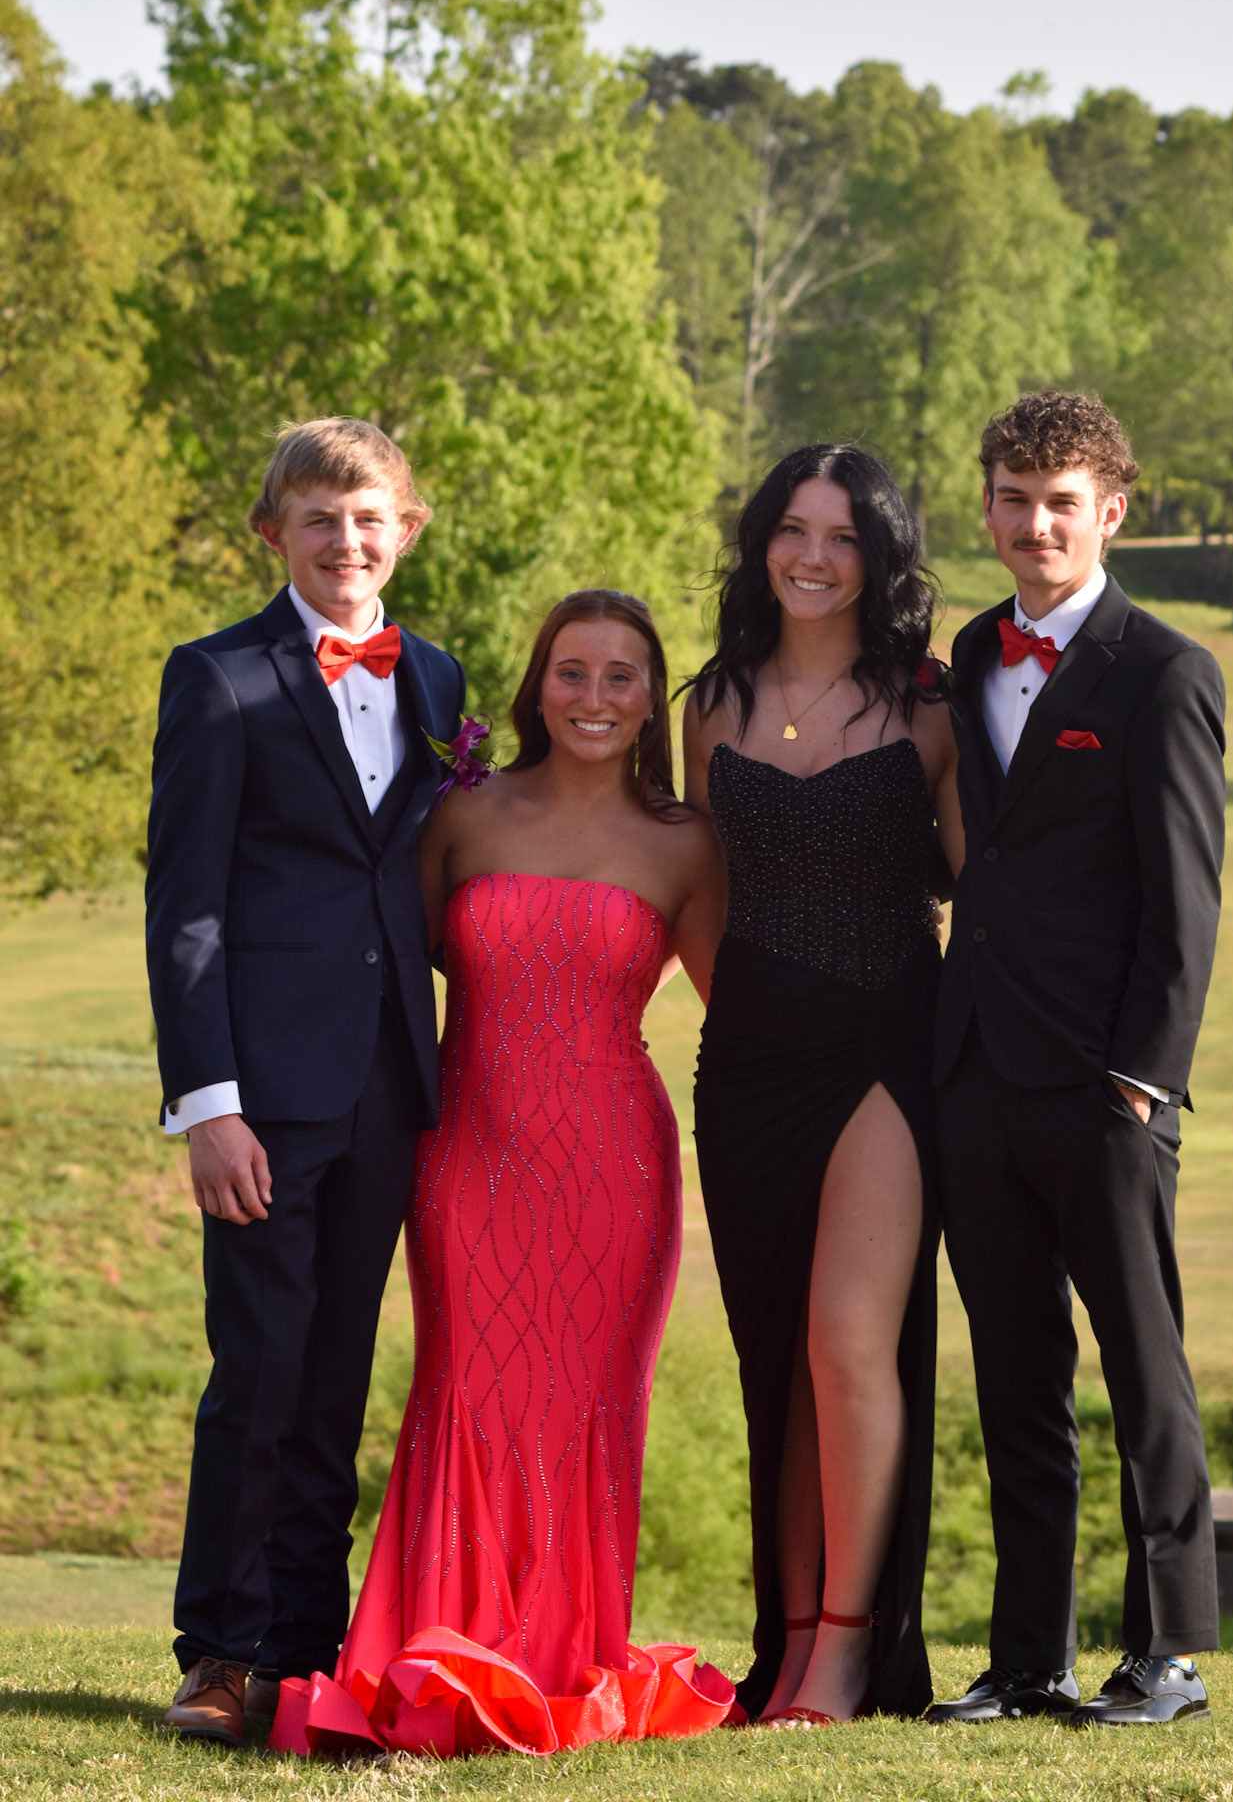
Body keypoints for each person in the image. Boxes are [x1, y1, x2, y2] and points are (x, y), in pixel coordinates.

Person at [271, 590, 733, 1758]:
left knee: (584, 1410)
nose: (594, 695)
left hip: (615, 1169)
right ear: (536, 685)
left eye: (622, 675)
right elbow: (379, 970)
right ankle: (438, 1653)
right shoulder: (463, 813)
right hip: (468, 1153)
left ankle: (560, 1656)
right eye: (572, 670)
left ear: (652, 698)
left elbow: (741, 1017)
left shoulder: (687, 842)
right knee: (464, 1390)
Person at [145, 419, 466, 1745]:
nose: (347, 540)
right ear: (273, 530)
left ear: (407, 530)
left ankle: (304, 1652)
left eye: (370, 516)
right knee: (260, 1373)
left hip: (392, 1080)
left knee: (336, 1377)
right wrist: (209, 1104)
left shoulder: (436, 676)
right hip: (265, 1093)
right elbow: (186, 907)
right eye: (320, 518)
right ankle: (219, 1653)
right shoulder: (218, 677)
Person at [929, 390, 1224, 1728]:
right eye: (1013, 497)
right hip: (977, 1073)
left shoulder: (1163, 671)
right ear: (987, 505)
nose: (1034, 523)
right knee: (1014, 1373)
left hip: (1106, 1087)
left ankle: (1167, 1655)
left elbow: (1184, 903)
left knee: (1143, 1367)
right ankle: (1025, 1657)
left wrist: (1140, 1079)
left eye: (1060, 502)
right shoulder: (966, 654)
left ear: (1110, 510)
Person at [683, 447, 963, 1727]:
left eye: (843, 536)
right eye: (793, 529)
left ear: (879, 555)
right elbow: (700, 888)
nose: (812, 556)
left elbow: (984, 883)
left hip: (888, 1047)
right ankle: (788, 1642)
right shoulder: (711, 703)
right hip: (748, 1062)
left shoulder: (930, 703)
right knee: (776, 1360)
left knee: (849, 1340)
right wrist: (744, 1011)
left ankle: (852, 1650)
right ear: (762, 542)